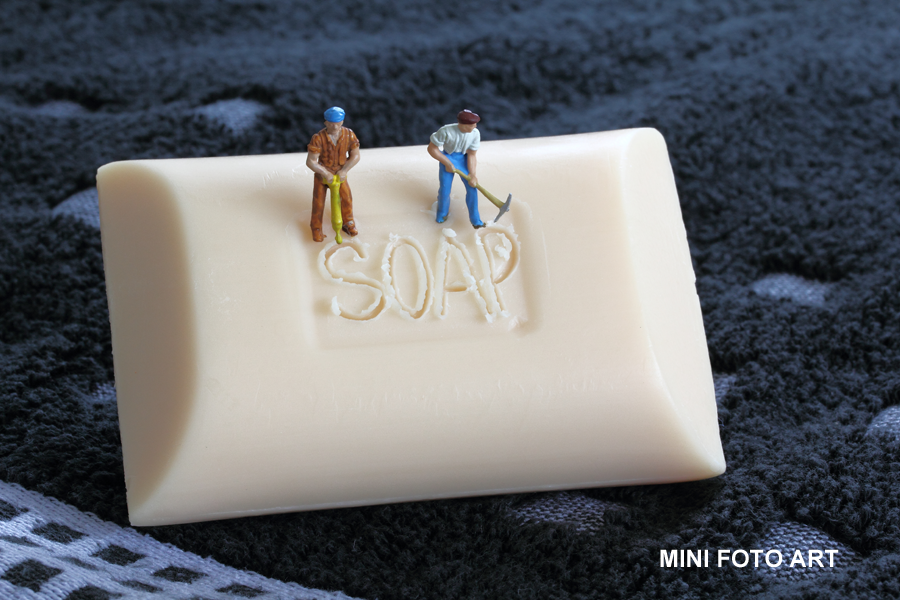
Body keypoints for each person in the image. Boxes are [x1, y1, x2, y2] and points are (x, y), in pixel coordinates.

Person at [305, 106, 360, 242]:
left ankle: (348, 223)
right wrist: (325, 173)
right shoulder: (318, 138)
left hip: (340, 173)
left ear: (342, 122)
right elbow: (311, 161)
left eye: (338, 123)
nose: (335, 127)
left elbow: (356, 156)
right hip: (322, 175)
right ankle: (316, 228)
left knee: (346, 198)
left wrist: (344, 170)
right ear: (325, 123)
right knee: (318, 202)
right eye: (331, 124)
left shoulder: (349, 135)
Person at [427, 109, 485, 228]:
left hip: (463, 160)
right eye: (472, 125)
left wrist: (472, 174)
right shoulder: (446, 131)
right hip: (447, 158)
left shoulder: (475, 133)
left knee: (472, 187)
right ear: (463, 125)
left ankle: (476, 220)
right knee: (444, 190)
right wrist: (447, 163)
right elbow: (432, 149)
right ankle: (442, 214)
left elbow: (472, 154)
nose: (475, 126)